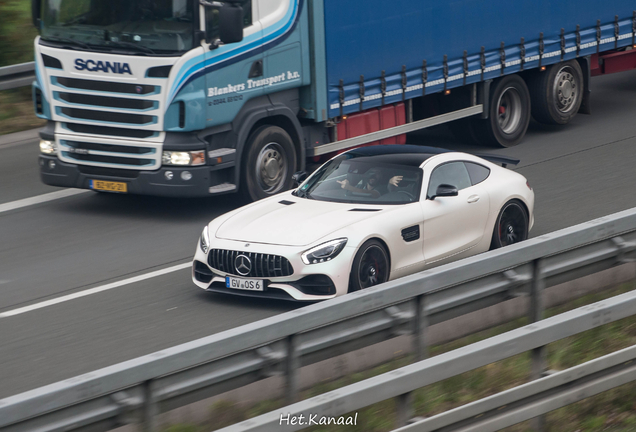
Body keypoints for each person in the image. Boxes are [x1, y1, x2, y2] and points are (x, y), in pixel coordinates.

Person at [337, 169, 402, 198]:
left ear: (381, 175)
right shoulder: (359, 186)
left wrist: (349, 187)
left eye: (377, 173)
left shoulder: (383, 188)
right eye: (370, 173)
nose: (373, 175)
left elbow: (373, 194)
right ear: (365, 175)